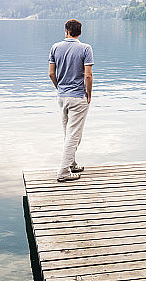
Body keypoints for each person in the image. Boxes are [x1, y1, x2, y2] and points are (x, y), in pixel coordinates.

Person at [48, 19, 93, 182]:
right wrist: (89, 94)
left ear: (66, 31)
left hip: (62, 96)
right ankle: (63, 172)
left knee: (69, 133)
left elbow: (51, 74)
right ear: (80, 32)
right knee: (74, 134)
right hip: (78, 97)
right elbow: (87, 75)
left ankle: (72, 164)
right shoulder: (85, 49)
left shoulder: (55, 47)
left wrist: (59, 88)